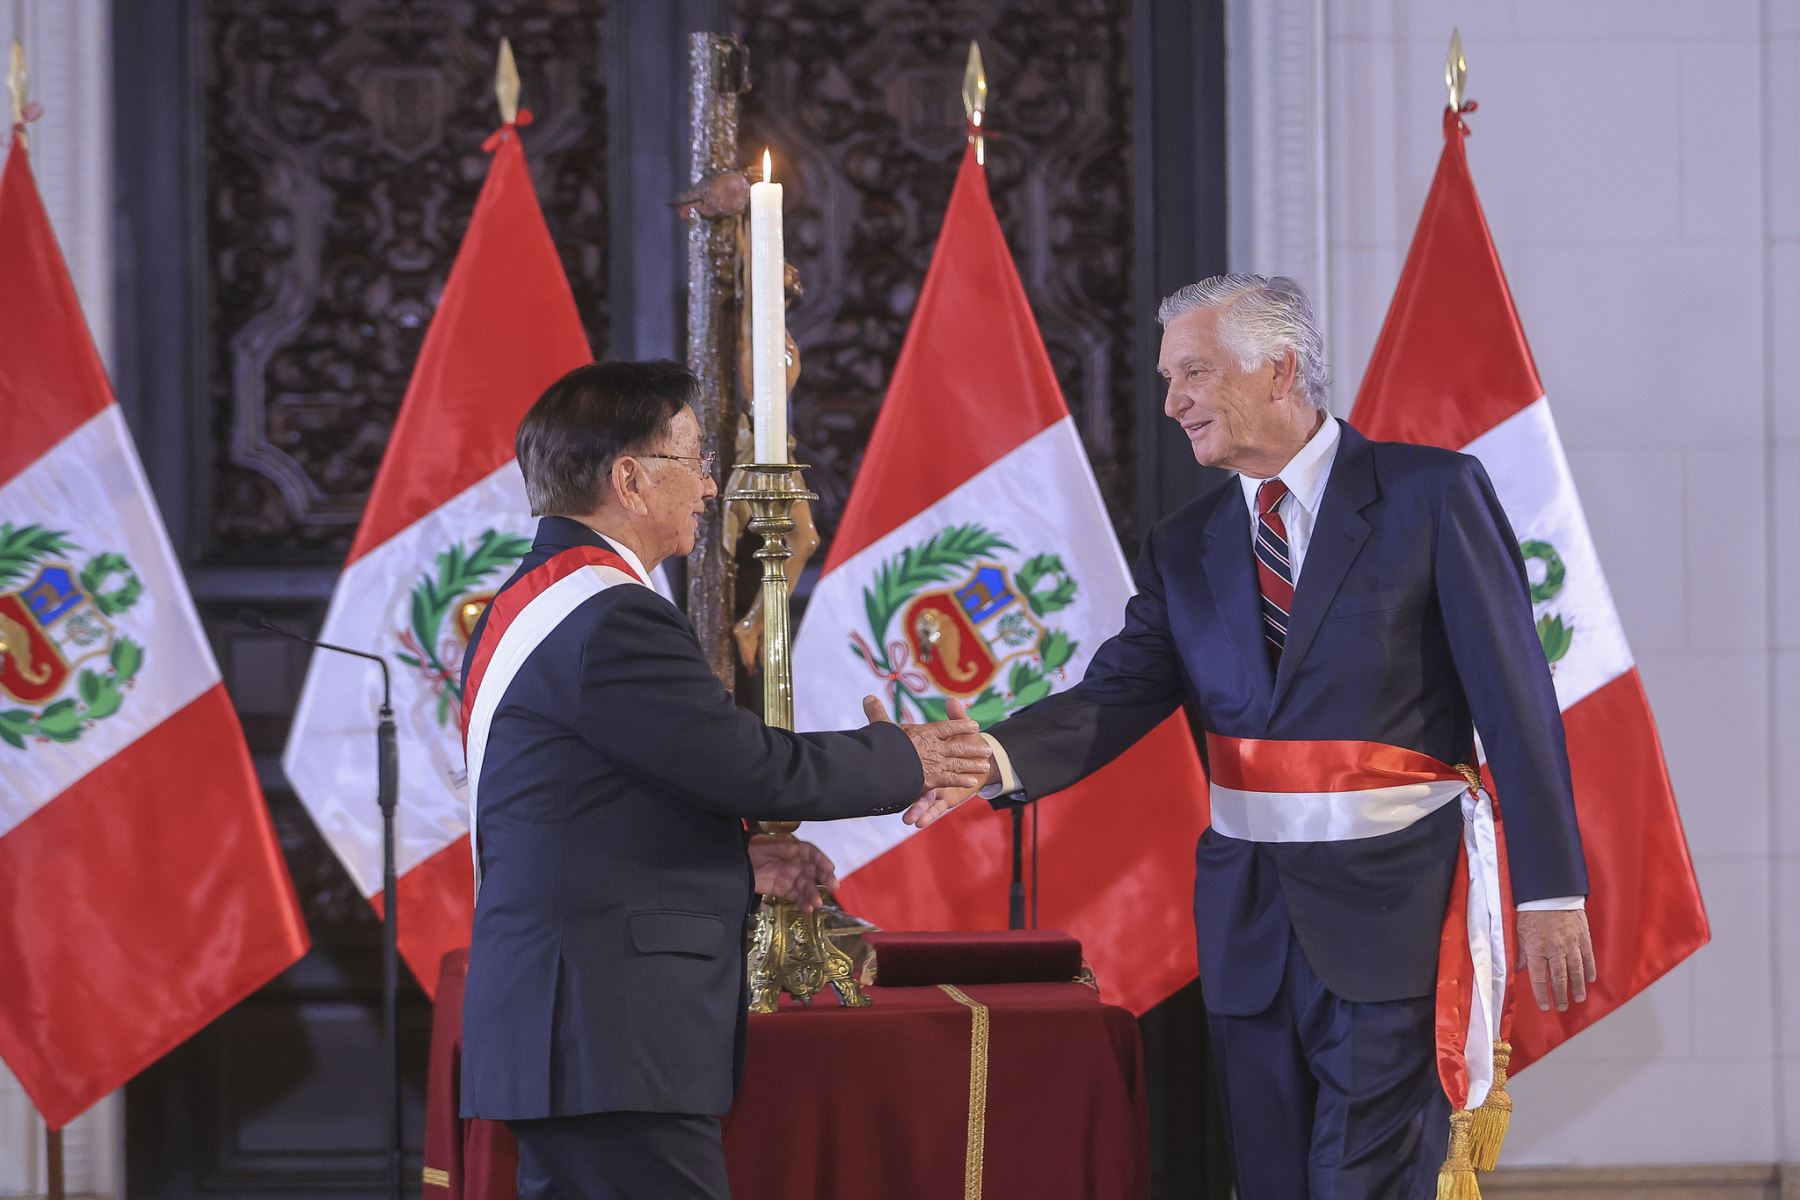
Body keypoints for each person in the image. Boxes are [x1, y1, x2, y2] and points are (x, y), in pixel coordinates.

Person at [906, 275, 1598, 1198]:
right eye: (1165, 378)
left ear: (1278, 370)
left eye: (1193, 371)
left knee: (1360, 1183)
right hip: (1249, 931)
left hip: (1393, 920)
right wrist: (987, 756)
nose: (1172, 401)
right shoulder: (1183, 543)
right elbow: (1114, 696)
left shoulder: (1431, 495)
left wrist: (1550, 890)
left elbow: (1517, 703)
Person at [459, 360, 989, 1200]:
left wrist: (735, 866)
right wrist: (908, 758)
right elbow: (749, 768)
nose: (711, 488)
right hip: (609, 1030)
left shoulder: (541, 597)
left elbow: (584, 817)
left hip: (582, 1025)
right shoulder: (608, 614)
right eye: (695, 459)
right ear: (628, 480)